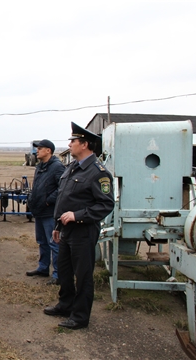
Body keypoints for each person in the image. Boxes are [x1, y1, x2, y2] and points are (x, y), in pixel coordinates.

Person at [43, 122, 114, 330]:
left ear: (84, 144)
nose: (70, 144)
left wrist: (77, 215)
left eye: (73, 141)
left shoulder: (98, 172)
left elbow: (106, 204)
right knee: (64, 271)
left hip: (83, 231)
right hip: (66, 230)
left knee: (83, 275)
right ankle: (66, 305)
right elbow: (65, 200)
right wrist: (58, 226)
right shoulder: (73, 167)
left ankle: (80, 316)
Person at [26, 139, 65, 285]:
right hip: (40, 210)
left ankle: (58, 274)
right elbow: (37, 186)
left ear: (48, 150)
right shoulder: (40, 166)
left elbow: (62, 187)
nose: (37, 151)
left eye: (40, 148)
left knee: (54, 242)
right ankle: (43, 268)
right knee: (42, 241)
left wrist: (49, 200)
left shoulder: (57, 167)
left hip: (50, 212)